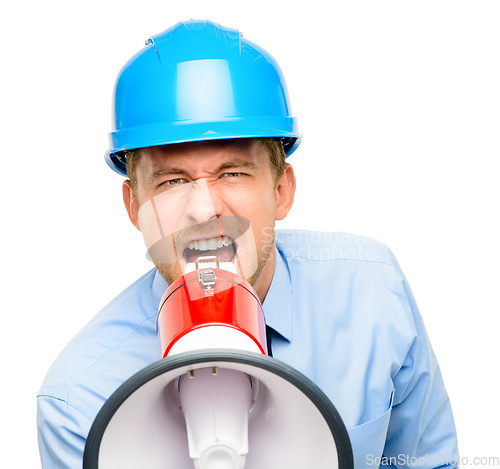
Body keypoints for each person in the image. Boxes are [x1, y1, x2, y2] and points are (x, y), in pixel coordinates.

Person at [37, 20, 459, 468]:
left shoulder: (374, 295)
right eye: (172, 181)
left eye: (232, 173)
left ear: (281, 190)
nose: (204, 210)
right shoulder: (78, 404)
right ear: (133, 204)